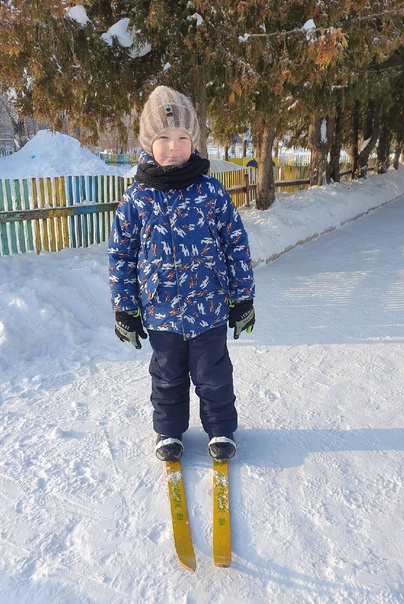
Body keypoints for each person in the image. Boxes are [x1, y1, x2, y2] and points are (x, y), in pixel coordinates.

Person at [108, 86, 255, 462]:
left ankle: (221, 430)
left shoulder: (211, 192)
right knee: (167, 376)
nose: (173, 146)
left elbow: (235, 243)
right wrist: (125, 307)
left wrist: (243, 298)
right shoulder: (137, 198)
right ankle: (168, 432)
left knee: (214, 375)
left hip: (208, 309)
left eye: (182, 137)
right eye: (163, 138)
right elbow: (121, 255)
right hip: (160, 311)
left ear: (194, 141)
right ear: (147, 143)